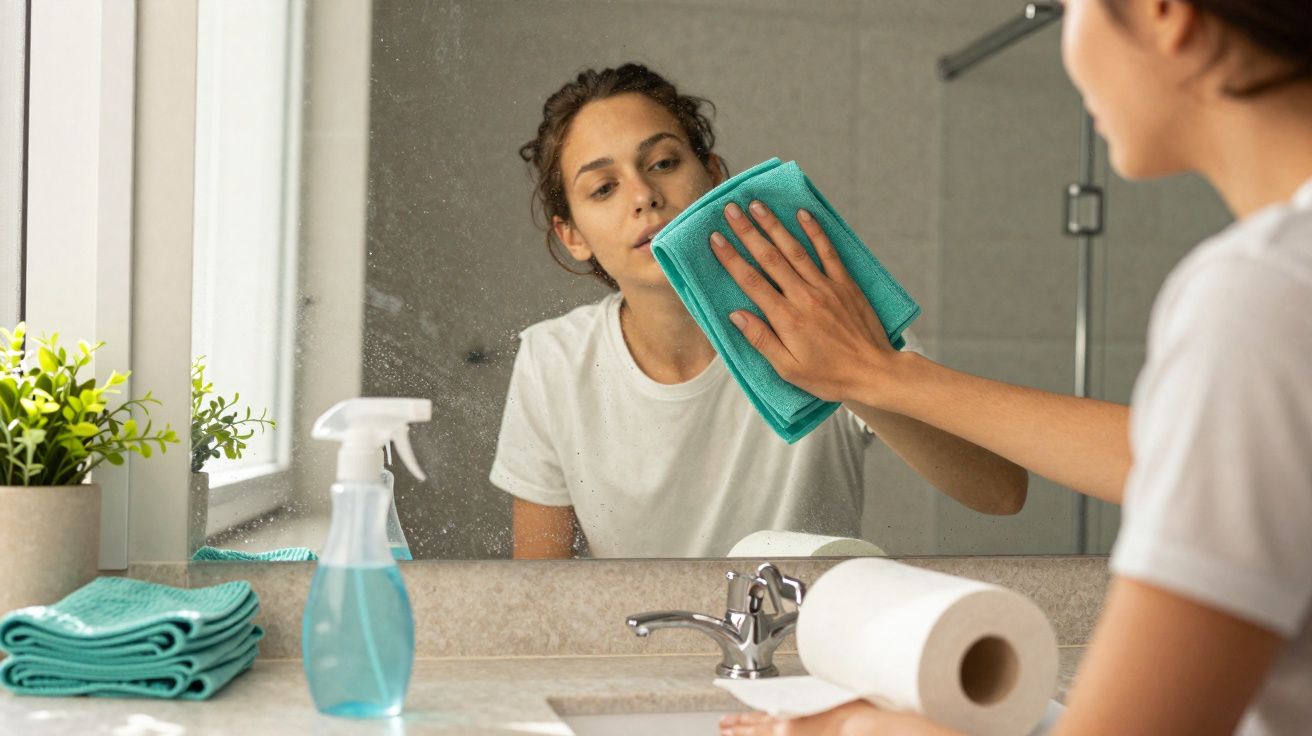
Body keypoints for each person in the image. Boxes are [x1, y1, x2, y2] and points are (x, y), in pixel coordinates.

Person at [714, 0, 1312, 734]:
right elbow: (1165, 455)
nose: (1063, 44)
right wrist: (879, 374)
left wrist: (852, 729)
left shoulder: (1265, 295)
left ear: (1163, 13)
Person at [491, 64, 1027, 559]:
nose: (644, 195)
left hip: (808, 648)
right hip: (644, 653)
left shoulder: (821, 312)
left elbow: (1001, 491)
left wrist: (861, 371)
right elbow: (541, 591)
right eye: (604, 187)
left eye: (663, 163)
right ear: (571, 235)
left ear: (715, 176)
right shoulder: (553, 360)